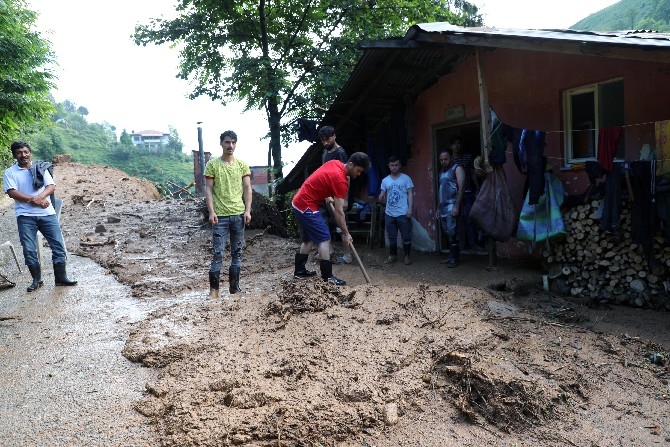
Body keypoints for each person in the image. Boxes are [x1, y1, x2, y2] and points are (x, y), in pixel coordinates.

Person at [3, 141, 77, 292]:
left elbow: (51, 186)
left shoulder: (41, 168)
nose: (23, 155)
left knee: (58, 245)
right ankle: (37, 280)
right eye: (19, 153)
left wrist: (40, 197)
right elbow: (11, 192)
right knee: (29, 249)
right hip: (25, 215)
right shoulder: (10, 172)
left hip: (47, 214)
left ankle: (61, 278)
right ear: (14, 155)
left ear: (30, 153)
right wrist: (33, 200)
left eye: (25, 152)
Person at [292, 152, 370, 286]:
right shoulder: (340, 180)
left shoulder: (335, 163)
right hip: (306, 204)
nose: (359, 174)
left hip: (299, 201)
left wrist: (327, 193)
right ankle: (327, 277)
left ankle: (300, 270)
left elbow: (321, 177)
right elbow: (339, 212)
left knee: (309, 239)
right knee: (324, 238)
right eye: (358, 170)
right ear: (351, 165)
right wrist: (345, 233)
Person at [204, 130, 252, 298]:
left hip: (238, 214)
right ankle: (214, 291)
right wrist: (211, 212)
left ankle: (234, 287)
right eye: (227, 142)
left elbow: (247, 188)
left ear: (236, 144)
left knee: (237, 252)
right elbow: (208, 189)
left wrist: (247, 210)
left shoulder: (242, 165)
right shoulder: (212, 165)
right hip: (220, 216)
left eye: (233, 142)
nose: (230, 145)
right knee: (218, 253)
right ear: (221, 144)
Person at [317, 125, 353, 265]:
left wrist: (344, 199)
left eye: (328, 139)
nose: (325, 143)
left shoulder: (340, 153)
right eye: (323, 140)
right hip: (326, 197)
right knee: (323, 224)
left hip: (337, 197)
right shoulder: (325, 153)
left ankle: (348, 255)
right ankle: (329, 251)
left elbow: (347, 177)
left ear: (334, 136)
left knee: (342, 226)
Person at [379, 155, 414, 265]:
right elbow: (382, 194)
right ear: (389, 166)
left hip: (403, 213)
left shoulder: (406, 178)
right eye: (392, 165)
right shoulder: (385, 180)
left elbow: (410, 194)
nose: (394, 167)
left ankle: (407, 256)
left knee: (406, 236)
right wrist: (381, 196)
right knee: (391, 236)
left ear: (399, 166)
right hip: (389, 213)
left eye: (396, 165)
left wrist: (410, 209)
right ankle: (392, 255)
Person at [450, 135, 482, 251]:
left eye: (459, 143)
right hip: (454, 195)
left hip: (468, 192)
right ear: (451, 146)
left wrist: (478, 188)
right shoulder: (449, 160)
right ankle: (460, 245)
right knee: (456, 221)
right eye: (454, 144)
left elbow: (473, 174)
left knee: (470, 219)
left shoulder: (467, 157)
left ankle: (473, 243)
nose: (457, 146)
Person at [437, 148, 465, 268]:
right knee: (448, 232)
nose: (443, 161)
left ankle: (455, 258)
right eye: (441, 160)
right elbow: (440, 191)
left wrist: (457, 206)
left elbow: (461, 188)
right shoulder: (441, 172)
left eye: (446, 159)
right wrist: (438, 208)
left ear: (450, 158)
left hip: (452, 205)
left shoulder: (457, 168)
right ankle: (451, 256)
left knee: (453, 232)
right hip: (443, 207)